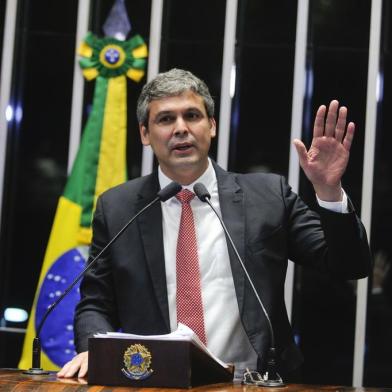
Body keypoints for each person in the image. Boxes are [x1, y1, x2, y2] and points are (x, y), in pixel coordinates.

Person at [57, 68, 371, 380]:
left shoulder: (267, 197)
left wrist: (329, 190)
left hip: (253, 383)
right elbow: (95, 303)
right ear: (144, 134)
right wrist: (92, 349)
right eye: (166, 119)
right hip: (157, 383)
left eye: (192, 116)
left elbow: (349, 265)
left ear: (212, 126)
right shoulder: (117, 208)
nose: (181, 129)